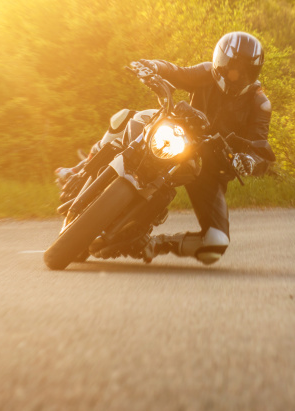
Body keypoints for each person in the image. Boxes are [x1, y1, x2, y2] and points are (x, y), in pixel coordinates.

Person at [58, 32, 275, 265]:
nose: (237, 76)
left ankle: (154, 243)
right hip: (180, 136)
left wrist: (250, 162)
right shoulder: (207, 72)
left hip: (210, 169)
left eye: (245, 71)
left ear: (254, 73)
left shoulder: (259, 103)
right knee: (129, 118)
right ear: (221, 64)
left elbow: (261, 150)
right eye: (234, 69)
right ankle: (81, 170)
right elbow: (176, 72)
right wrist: (152, 67)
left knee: (216, 243)